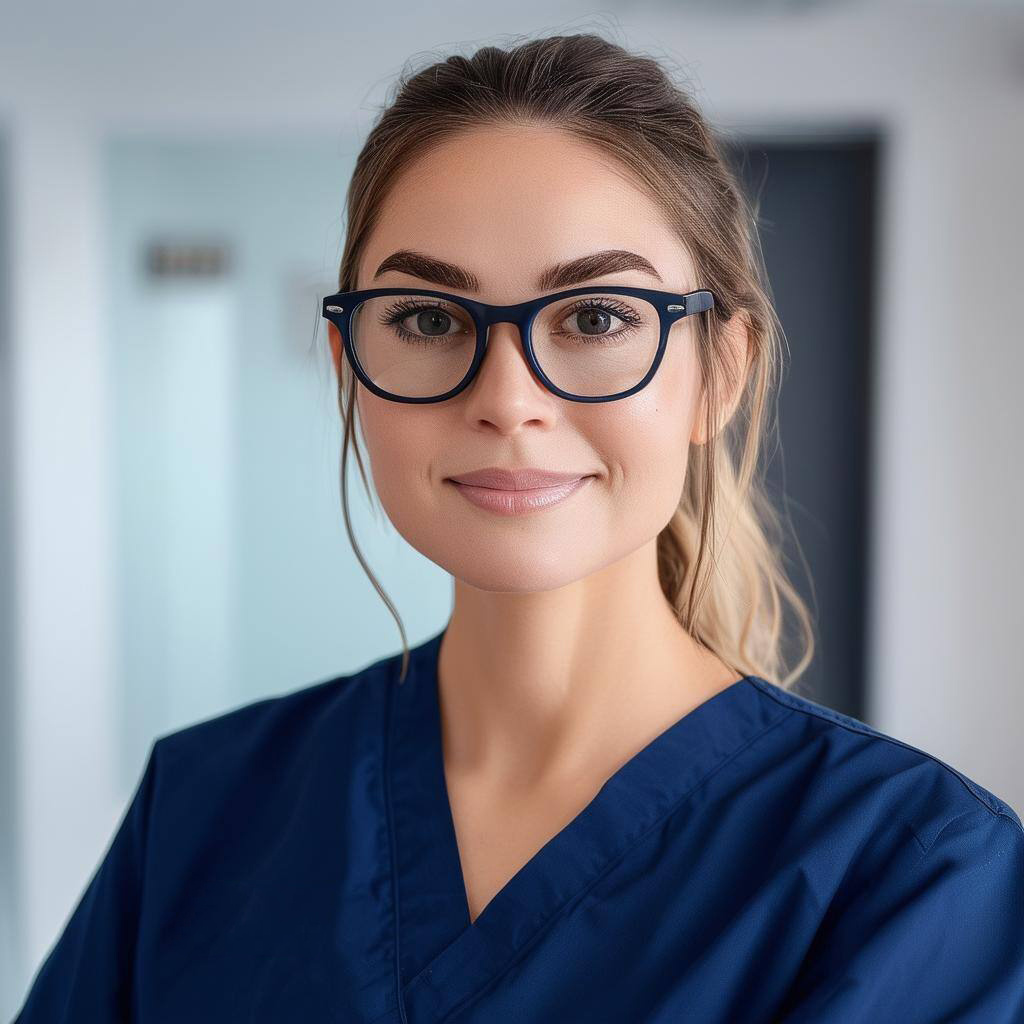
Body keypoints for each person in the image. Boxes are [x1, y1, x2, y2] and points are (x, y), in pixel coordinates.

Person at [14, 31, 1024, 1024]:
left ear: (720, 371)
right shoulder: (201, 808)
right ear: (344, 367)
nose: (507, 399)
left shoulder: (914, 870)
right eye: (426, 319)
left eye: (593, 319)